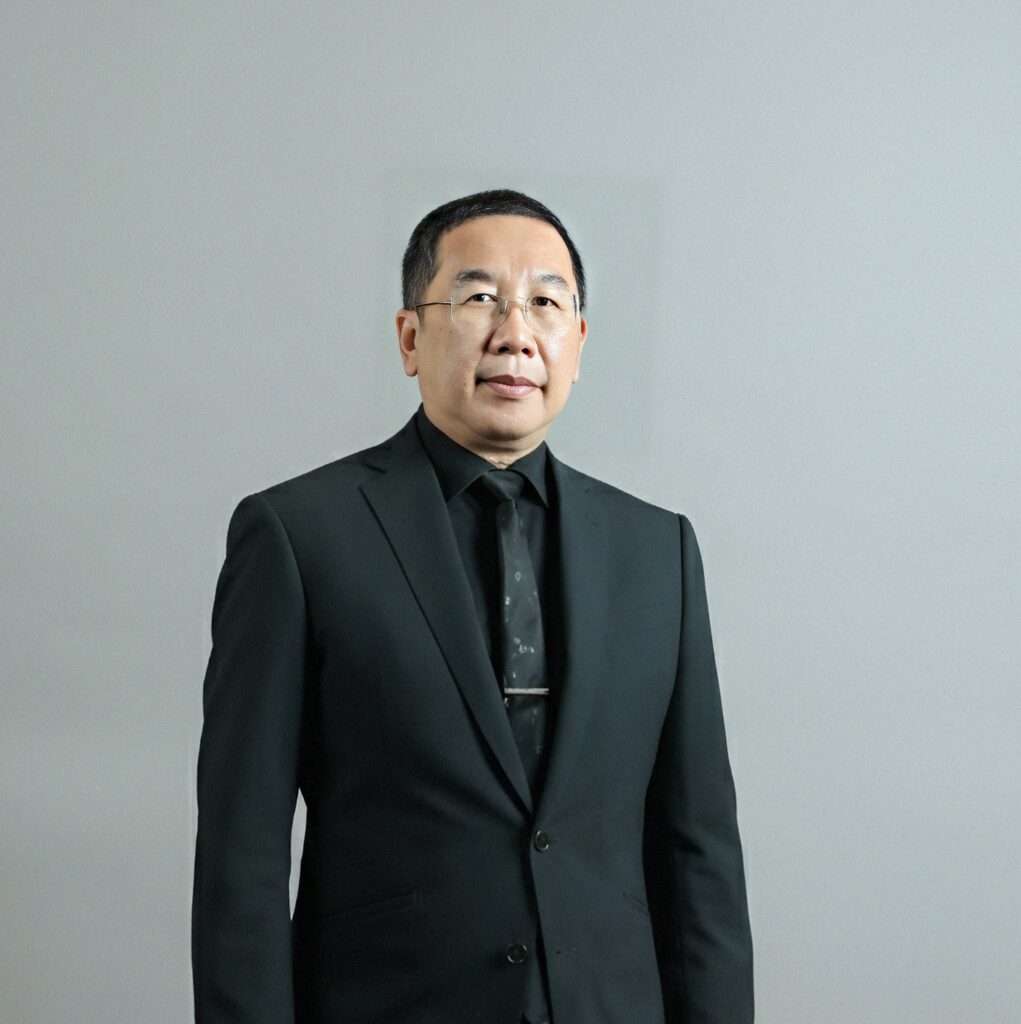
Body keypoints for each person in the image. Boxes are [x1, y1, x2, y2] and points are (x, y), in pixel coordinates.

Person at [191, 189, 754, 1023]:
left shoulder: (656, 550)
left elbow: (696, 848)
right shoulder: (299, 536)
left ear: (578, 343)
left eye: (545, 304)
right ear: (409, 337)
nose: (514, 333)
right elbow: (242, 853)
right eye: (480, 297)